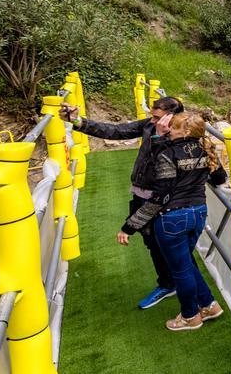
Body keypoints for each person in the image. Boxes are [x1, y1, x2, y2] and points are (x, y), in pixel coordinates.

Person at [60, 96, 184, 309]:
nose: (153, 121)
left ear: (172, 117)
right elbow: (116, 131)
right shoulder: (149, 125)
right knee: (151, 243)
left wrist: (161, 136)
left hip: (162, 199)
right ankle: (167, 283)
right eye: (152, 117)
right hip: (141, 193)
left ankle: (187, 291)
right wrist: (77, 120)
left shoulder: (181, 134)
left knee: (168, 244)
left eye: (157, 118)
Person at [117, 112, 226, 331]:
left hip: (172, 218)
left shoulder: (168, 153)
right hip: (198, 213)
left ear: (185, 131)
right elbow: (220, 178)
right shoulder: (205, 149)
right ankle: (209, 305)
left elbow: (160, 197)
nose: (168, 130)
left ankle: (190, 317)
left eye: (173, 128)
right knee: (186, 262)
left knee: (181, 271)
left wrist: (129, 226)